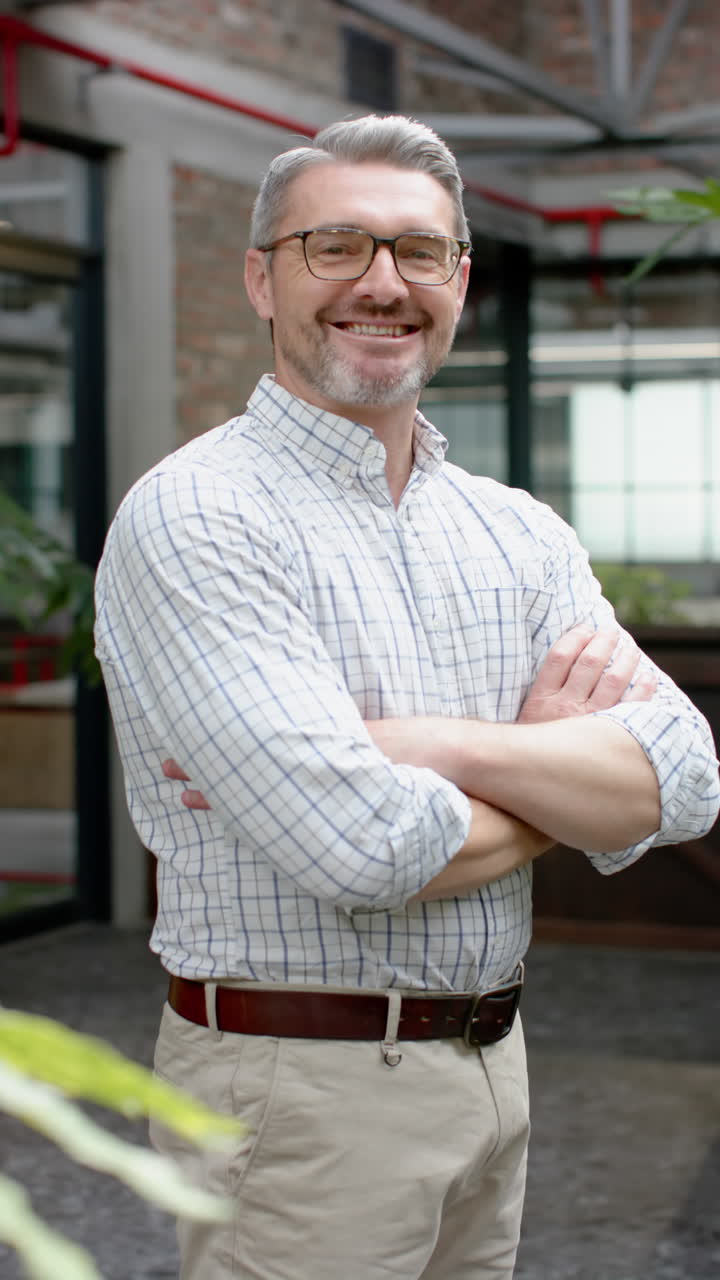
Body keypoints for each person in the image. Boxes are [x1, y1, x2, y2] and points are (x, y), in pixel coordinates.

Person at [94, 114, 719, 1280]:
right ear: (262, 278)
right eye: (336, 246)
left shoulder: (515, 529)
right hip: (297, 1093)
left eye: (419, 253)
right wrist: (564, 776)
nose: (382, 283)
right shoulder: (199, 517)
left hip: (495, 1065)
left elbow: (680, 779)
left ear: (460, 280)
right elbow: (363, 844)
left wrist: (421, 744)